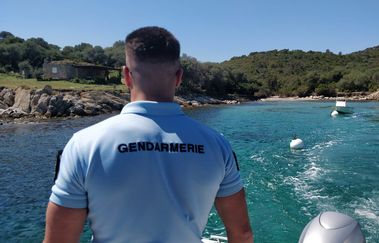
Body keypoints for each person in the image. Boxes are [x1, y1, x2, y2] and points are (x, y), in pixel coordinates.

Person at [44, 26, 253, 243]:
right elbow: (242, 234)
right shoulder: (217, 145)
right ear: (179, 77)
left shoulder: (84, 144)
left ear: (126, 75)